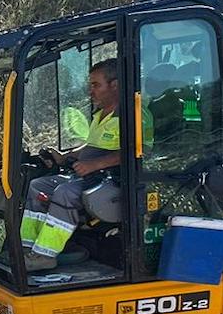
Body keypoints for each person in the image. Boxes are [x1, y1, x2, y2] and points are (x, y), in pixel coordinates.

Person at [19, 59, 136, 270]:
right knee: (37, 186)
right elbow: (90, 146)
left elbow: (137, 152)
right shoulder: (101, 115)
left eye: (96, 85)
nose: (91, 91)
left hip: (115, 182)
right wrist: (65, 157)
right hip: (91, 176)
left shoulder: (132, 115)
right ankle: (27, 249)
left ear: (115, 85)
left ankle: (45, 255)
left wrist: (94, 164)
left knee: (65, 192)